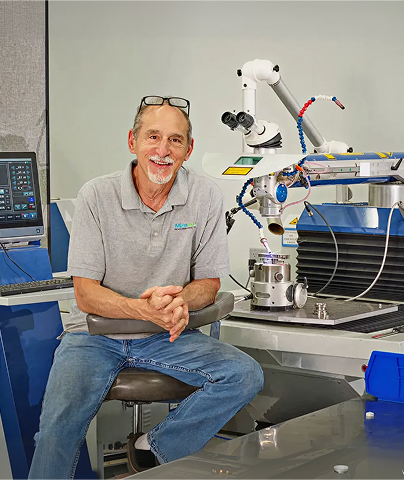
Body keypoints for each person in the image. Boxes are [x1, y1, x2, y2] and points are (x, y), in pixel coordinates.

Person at [28, 95, 264, 479]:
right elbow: (86, 293)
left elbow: (208, 283)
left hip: (165, 336)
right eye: (153, 137)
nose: (163, 150)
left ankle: (154, 448)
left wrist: (178, 301)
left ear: (188, 149)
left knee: (245, 375)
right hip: (94, 336)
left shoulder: (204, 196)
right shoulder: (96, 196)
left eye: (175, 140)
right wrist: (144, 309)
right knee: (56, 432)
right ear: (132, 141)